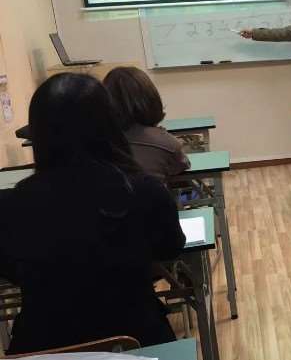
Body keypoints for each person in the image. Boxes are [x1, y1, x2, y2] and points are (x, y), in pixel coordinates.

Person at [0, 73, 185, 354]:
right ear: (110, 124)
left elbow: (12, 270)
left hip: (41, 347)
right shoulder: (144, 192)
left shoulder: (10, 205)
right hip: (137, 339)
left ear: (38, 133)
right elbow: (170, 248)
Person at [103, 67, 190, 181]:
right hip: (151, 192)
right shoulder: (168, 144)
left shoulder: (95, 142)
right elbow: (181, 166)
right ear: (152, 98)